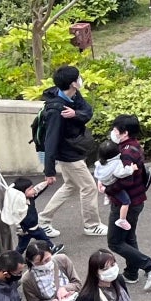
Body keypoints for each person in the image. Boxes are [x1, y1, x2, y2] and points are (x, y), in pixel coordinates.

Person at [37, 65, 103, 236]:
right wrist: (49, 170)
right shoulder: (55, 110)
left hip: (74, 150)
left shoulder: (73, 96)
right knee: (89, 188)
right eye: (78, 78)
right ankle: (92, 225)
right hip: (68, 155)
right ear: (73, 83)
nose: (81, 80)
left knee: (70, 186)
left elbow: (88, 112)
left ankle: (43, 220)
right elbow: (50, 140)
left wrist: (75, 114)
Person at [102, 117, 151, 289]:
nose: (113, 132)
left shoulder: (126, 152)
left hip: (125, 202)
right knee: (128, 236)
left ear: (125, 132)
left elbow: (125, 180)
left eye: (116, 130)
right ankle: (131, 272)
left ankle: (150, 265)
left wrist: (107, 188)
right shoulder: (133, 146)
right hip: (136, 200)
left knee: (114, 242)